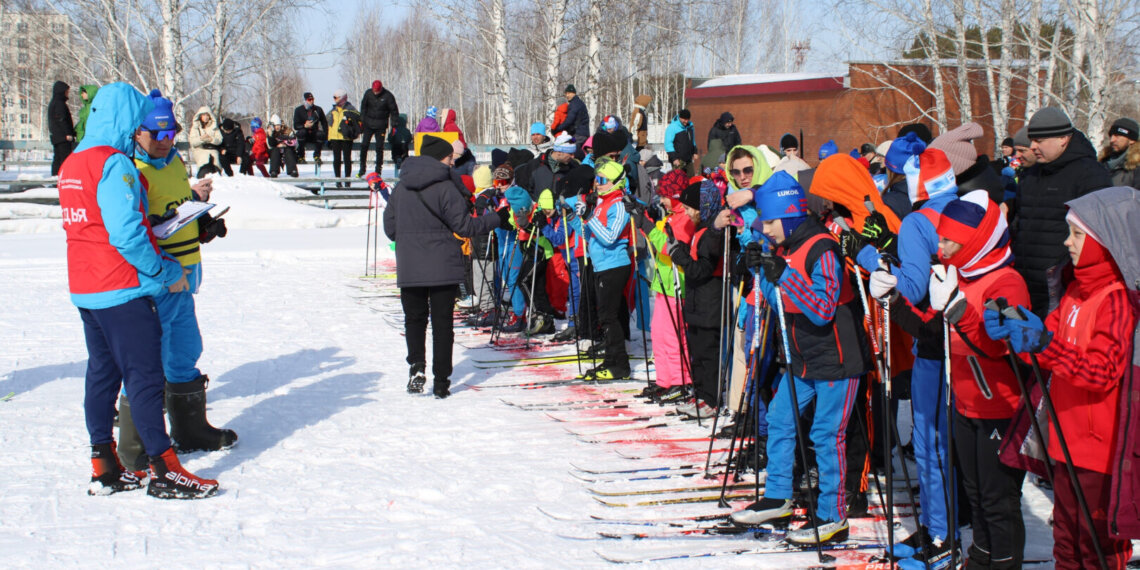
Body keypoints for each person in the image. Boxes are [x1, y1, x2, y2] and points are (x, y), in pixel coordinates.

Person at [57, 82, 218, 500]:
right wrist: (164, 271)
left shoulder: (72, 163)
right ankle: (164, 470)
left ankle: (104, 467)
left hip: (86, 288)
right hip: (121, 288)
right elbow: (127, 235)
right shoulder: (114, 164)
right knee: (144, 378)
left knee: (101, 375)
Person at [872, 190, 1029, 569]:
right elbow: (932, 334)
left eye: (948, 241)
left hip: (998, 408)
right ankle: (980, 558)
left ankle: (1003, 562)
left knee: (997, 499)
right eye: (940, 239)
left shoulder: (1006, 282)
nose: (939, 249)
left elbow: (1002, 347)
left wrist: (960, 311)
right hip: (966, 405)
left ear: (974, 242)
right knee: (975, 494)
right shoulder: (962, 276)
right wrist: (893, 300)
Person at [988, 186, 1138, 569]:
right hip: (1063, 439)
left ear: (1105, 242)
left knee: (1096, 548)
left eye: (1077, 234)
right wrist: (1016, 332)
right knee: (1066, 543)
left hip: (1099, 451)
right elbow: (1044, 352)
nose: (1066, 242)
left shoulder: (1116, 299)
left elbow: (1103, 371)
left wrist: (1044, 343)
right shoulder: (1074, 290)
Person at [730, 174, 871, 546]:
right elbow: (778, 298)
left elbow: (822, 309)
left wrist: (782, 273)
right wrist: (761, 267)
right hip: (802, 358)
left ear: (789, 215)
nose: (766, 229)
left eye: (770, 222)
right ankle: (778, 497)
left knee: (826, 436)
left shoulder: (822, 247)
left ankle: (832, 516)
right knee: (780, 420)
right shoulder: (786, 245)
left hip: (836, 360)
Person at [114, 89, 237, 471]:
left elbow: (176, 208)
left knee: (185, 350)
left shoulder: (172, 162)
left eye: (171, 133)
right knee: (147, 359)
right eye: (157, 134)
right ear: (138, 131)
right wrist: (156, 226)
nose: (165, 141)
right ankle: (136, 445)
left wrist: (201, 224)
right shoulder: (129, 167)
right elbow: (128, 227)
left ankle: (190, 429)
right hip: (154, 279)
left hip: (182, 275)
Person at [383, 135, 509, 398]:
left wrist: (410, 239)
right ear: (440, 159)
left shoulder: (401, 187)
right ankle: (441, 381)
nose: (453, 162)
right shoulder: (446, 187)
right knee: (442, 325)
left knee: (414, 320)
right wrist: (496, 219)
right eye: (450, 158)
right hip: (442, 266)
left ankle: (416, 366)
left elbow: (390, 229)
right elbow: (464, 227)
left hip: (410, 266)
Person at [1013, 106, 1111, 317]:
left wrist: (1069, 275)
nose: (1033, 146)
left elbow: (1098, 236)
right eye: (1032, 140)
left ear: (1063, 139)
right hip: (1026, 281)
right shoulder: (1031, 173)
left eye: (1039, 140)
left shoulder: (1090, 175)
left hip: (1062, 286)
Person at [578, 158, 633, 380]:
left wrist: (589, 217)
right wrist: (580, 220)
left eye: (602, 180)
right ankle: (611, 360)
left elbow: (610, 237)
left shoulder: (618, 205)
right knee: (606, 316)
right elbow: (593, 233)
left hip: (614, 265)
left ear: (616, 182)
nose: (597, 184)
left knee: (608, 317)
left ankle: (619, 364)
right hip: (601, 264)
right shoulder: (603, 202)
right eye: (597, 180)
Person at [359, 80, 399, 175]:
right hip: (368, 124)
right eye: (374, 90)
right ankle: (362, 168)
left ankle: (378, 170)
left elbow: (394, 111)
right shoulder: (368, 94)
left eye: (377, 91)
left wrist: (394, 125)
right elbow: (363, 107)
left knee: (379, 147)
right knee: (364, 145)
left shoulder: (388, 96)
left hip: (381, 126)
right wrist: (362, 120)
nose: (375, 92)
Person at [327, 89, 361, 188]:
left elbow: (358, 122)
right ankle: (338, 180)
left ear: (342, 98)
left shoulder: (351, 109)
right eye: (334, 97)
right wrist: (328, 138)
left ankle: (347, 180)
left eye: (336, 97)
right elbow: (328, 124)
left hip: (346, 138)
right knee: (336, 159)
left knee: (347, 159)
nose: (334, 99)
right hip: (335, 138)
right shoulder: (333, 110)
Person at [1098, 117, 1139, 188]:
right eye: (1111, 135)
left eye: (1117, 136)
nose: (1112, 140)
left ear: (1131, 140)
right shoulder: (1102, 163)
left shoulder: (1136, 168)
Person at [553, 84, 590, 157]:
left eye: (569, 93)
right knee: (575, 148)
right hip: (581, 134)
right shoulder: (577, 103)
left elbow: (569, 120)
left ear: (574, 93)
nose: (567, 95)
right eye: (566, 93)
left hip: (578, 135)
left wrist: (557, 129)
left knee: (570, 148)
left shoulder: (574, 104)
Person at [48, 80, 76, 176]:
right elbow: (62, 120)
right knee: (64, 159)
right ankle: (63, 177)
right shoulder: (60, 104)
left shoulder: (53, 103)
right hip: (63, 137)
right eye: (66, 92)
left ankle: (55, 177)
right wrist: (69, 134)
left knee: (57, 158)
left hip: (57, 137)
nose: (67, 94)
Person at [292, 92, 327, 165]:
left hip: (314, 133)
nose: (311, 101)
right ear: (305, 100)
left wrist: (326, 135)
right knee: (301, 133)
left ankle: (317, 155)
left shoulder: (318, 109)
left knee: (320, 134)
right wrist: (304, 125)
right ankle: (301, 156)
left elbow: (324, 123)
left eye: (312, 99)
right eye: (309, 100)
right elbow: (296, 125)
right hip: (304, 134)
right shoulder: (298, 110)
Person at [187, 106, 223, 172]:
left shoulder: (214, 127)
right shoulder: (195, 127)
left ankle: (216, 174)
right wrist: (201, 139)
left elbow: (220, 140)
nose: (206, 117)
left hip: (212, 148)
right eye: (204, 115)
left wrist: (211, 139)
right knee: (204, 157)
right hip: (199, 149)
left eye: (207, 115)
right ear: (200, 116)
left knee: (215, 158)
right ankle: (203, 173)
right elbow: (193, 142)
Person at [664, 109, 698, 175]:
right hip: (678, 160)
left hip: (688, 159)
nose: (686, 121)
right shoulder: (672, 127)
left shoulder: (690, 127)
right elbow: (668, 144)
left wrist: (695, 151)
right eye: (684, 119)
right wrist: (674, 158)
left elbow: (692, 140)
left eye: (688, 119)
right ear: (680, 117)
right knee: (678, 179)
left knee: (691, 179)